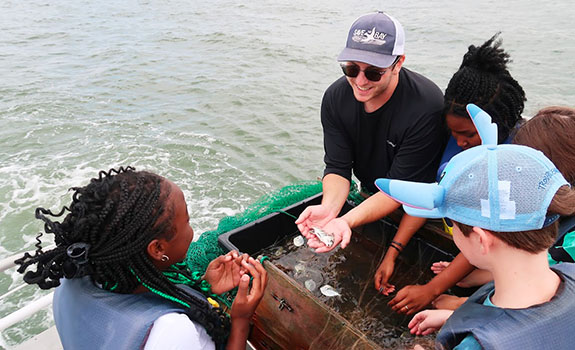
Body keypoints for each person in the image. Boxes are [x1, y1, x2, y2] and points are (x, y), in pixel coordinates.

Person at [377, 105, 575, 349]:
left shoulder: (478, 345)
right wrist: (457, 319)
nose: (451, 227)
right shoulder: (568, 272)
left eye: (451, 222)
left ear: (481, 240)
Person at [15, 167, 267, 350]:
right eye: (187, 221)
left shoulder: (74, 274)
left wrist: (203, 285)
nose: (192, 229)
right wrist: (241, 318)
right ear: (157, 249)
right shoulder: (172, 332)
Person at [380, 34, 527, 315]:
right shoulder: (454, 140)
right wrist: (393, 250)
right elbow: (433, 194)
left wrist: (432, 288)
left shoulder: (509, 163)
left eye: (469, 134)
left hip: (499, 254)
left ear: (499, 123)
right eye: (454, 132)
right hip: (468, 249)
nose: (460, 142)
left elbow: (492, 234)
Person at [296, 12, 445, 284]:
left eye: (374, 72)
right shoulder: (335, 98)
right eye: (351, 69)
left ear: (398, 63)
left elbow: (400, 187)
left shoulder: (427, 107)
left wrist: (346, 221)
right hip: (371, 196)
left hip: (419, 203)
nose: (361, 81)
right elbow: (338, 168)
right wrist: (330, 210)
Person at [431, 105, 575, 310]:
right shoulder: (554, 207)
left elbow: (541, 289)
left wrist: (459, 306)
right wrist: (479, 274)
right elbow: (529, 261)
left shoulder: (571, 244)